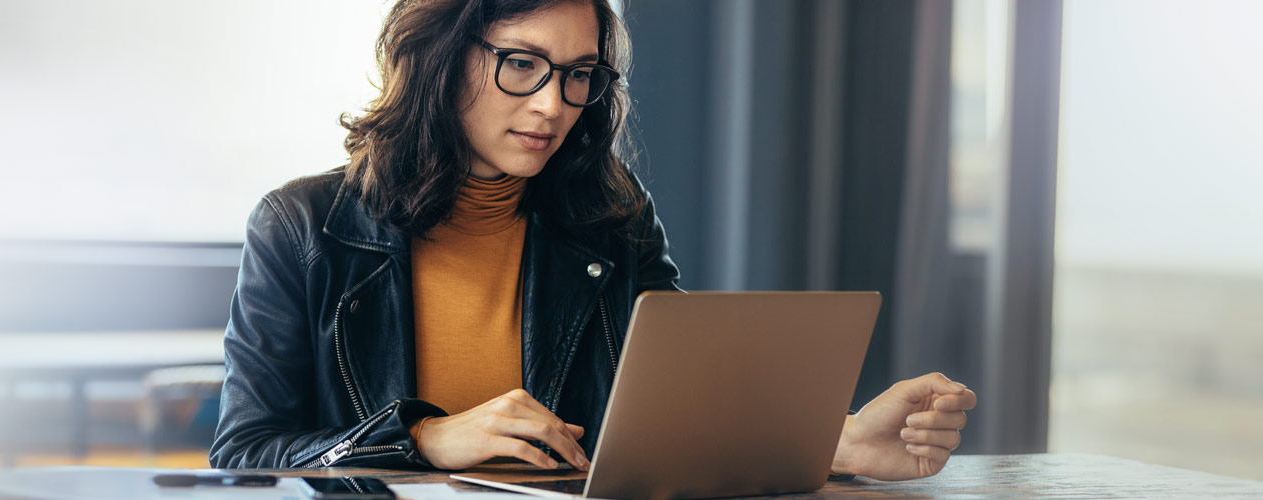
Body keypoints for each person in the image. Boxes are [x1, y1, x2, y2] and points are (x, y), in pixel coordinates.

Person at [207, 0, 976, 482]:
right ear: (440, 56)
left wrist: (835, 444)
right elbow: (244, 455)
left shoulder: (612, 215)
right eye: (521, 64)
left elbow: (679, 416)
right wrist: (424, 439)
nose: (553, 104)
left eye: (579, 74)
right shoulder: (303, 225)